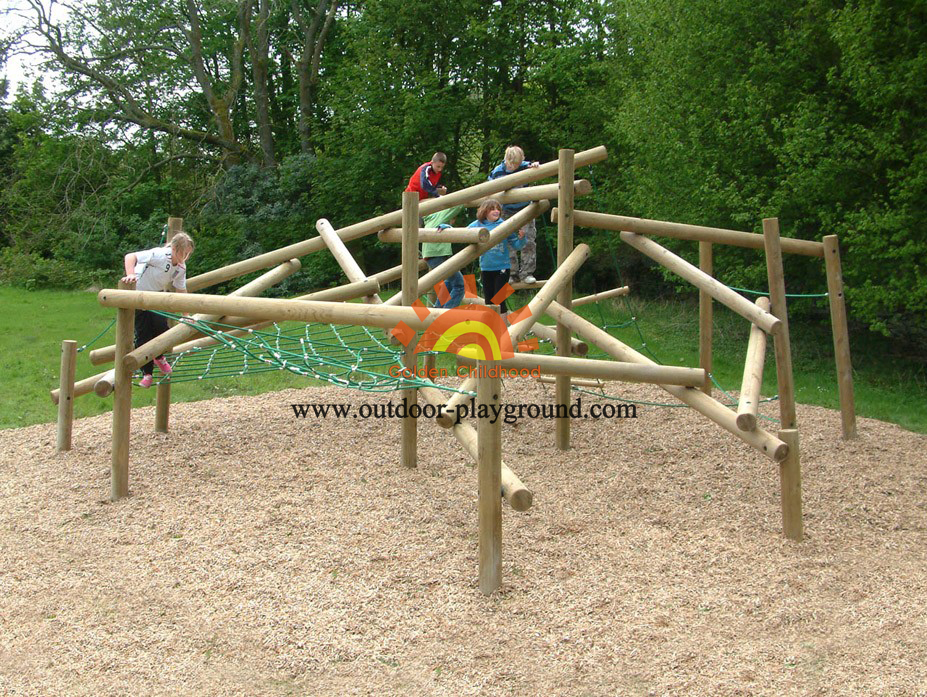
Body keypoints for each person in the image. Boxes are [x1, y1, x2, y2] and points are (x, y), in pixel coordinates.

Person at [120, 232, 195, 388]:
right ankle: (147, 373)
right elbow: (130, 256)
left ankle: (159, 357)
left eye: (188, 254)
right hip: (138, 296)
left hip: (154, 297)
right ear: (174, 248)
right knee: (143, 334)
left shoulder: (181, 267)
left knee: (162, 328)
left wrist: (186, 315)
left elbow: (181, 289)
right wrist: (131, 275)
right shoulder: (159, 255)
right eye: (183, 253)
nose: (185, 257)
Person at [487, 145, 540, 283]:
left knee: (528, 241)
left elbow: (532, 166)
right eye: (513, 165)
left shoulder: (524, 166)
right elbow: (489, 188)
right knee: (508, 242)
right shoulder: (498, 172)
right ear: (507, 161)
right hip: (506, 211)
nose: (516, 167)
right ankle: (512, 273)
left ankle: (527, 273)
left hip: (525, 209)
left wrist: (533, 165)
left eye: (518, 163)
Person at [469, 198, 525, 323]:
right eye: (492, 209)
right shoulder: (477, 224)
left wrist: (521, 239)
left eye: (498, 209)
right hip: (486, 268)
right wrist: (446, 227)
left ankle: (502, 328)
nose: (496, 211)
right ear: (485, 211)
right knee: (489, 301)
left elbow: (516, 245)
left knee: (499, 299)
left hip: (502, 268)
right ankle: (492, 328)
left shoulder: (503, 224)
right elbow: (463, 233)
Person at [422, 205, 466, 310]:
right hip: (438, 255)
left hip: (432, 255)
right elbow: (456, 206)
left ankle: (438, 308)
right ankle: (446, 313)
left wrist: (449, 227)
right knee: (459, 285)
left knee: (450, 282)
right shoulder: (441, 215)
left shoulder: (431, 218)